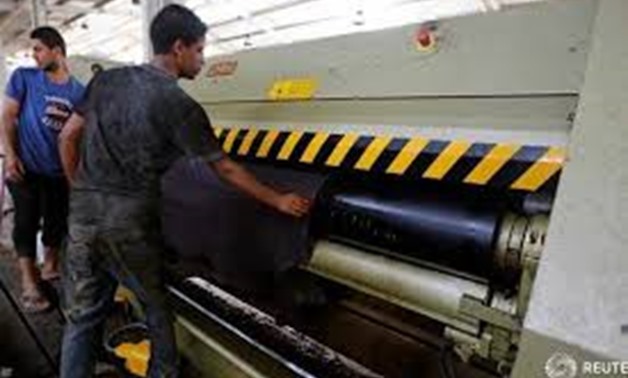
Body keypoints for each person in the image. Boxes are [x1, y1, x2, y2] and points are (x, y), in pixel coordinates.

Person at [58, 4, 311, 378]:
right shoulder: (178, 104)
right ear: (179, 48)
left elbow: (67, 136)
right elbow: (224, 168)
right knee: (156, 303)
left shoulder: (105, 81)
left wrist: (78, 186)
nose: (203, 60)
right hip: (129, 223)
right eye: (199, 50)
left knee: (82, 313)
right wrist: (278, 199)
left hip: (82, 214)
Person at [1, 27, 85, 313]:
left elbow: (78, 138)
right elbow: (8, 118)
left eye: (38, 49)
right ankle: (28, 282)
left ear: (57, 50)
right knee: (25, 220)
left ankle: (49, 267)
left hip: (58, 173)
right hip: (24, 168)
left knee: (55, 224)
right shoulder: (24, 78)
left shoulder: (79, 92)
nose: (33, 55)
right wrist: (11, 155)